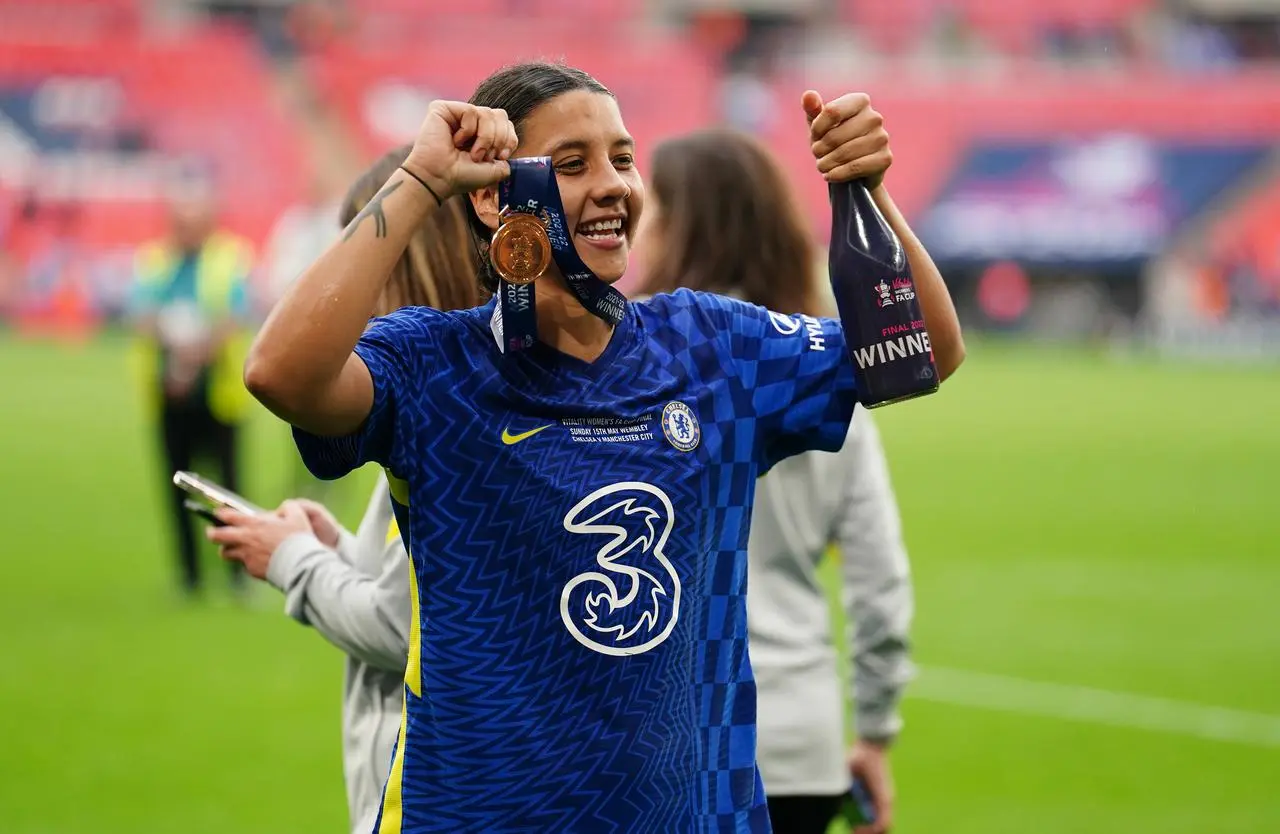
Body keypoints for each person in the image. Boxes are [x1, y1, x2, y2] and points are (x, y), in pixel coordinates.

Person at [243, 61, 964, 832]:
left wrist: (868, 189)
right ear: (492, 197)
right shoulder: (434, 367)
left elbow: (920, 353)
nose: (615, 184)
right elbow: (280, 373)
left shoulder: (711, 344)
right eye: (572, 164)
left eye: (623, 157)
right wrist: (423, 176)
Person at [637, 128, 915, 834]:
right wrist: (874, 733)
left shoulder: (638, 376)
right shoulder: (828, 372)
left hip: (674, 738)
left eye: (657, 212)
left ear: (686, 225)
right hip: (802, 740)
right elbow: (879, 581)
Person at [204, 145, 484, 834]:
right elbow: (417, 589)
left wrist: (293, 561)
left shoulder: (448, 418)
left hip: (421, 789)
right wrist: (333, 548)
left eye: (362, 259)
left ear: (406, 265)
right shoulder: (459, 393)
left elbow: (401, 628)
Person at [128, 174, 254, 596]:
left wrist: (191, 357)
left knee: (228, 487)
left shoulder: (228, 257)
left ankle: (238, 575)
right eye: (181, 217)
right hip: (169, 396)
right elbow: (140, 314)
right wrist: (174, 353)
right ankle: (190, 576)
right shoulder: (155, 260)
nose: (187, 225)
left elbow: (233, 315)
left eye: (195, 217)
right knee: (176, 483)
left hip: (217, 393)